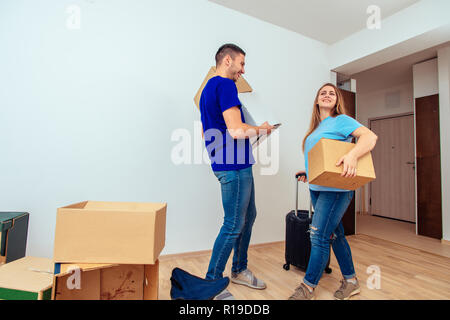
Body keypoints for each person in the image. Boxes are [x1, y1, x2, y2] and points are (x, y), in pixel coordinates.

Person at [289, 83, 378, 300]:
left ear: (337, 100)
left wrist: (353, 155)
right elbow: (325, 158)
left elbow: (370, 137)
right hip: (317, 188)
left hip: (336, 189)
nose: (327, 95)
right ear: (317, 101)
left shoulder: (342, 121)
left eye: (332, 93)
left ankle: (307, 288)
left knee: (318, 236)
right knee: (336, 235)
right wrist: (310, 173)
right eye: (323, 93)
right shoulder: (316, 128)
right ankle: (351, 280)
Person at [199, 43, 274, 300]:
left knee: (248, 216)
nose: (243, 70)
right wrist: (262, 129)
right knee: (233, 224)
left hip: (231, 162)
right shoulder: (226, 85)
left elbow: (208, 131)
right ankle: (212, 283)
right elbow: (236, 131)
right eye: (241, 63)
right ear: (227, 60)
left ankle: (240, 269)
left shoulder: (208, 89)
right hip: (233, 165)